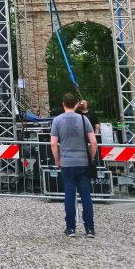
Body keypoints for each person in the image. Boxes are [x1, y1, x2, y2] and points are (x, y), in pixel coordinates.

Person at [51, 92, 97, 238]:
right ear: (74, 104)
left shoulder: (57, 120)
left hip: (67, 163)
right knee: (86, 196)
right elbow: (93, 142)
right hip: (83, 162)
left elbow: (53, 143)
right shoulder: (84, 119)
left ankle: (70, 228)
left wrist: (57, 160)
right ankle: (89, 229)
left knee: (69, 195)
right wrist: (92, 158)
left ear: (63, 104)